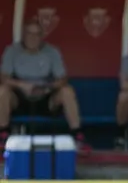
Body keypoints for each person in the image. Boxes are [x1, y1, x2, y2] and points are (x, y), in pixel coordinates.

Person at [0, 22, 90, 152]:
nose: (33, 37)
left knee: (67, 91)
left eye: (37, 34)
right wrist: (22, 85)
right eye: (30, 33)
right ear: (24, 35)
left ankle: (78, 135)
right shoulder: (12, 51)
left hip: (45, 98)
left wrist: (48, 87)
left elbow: (63, 78)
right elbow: (3, 77)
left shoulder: (51, 51)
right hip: (19, 98)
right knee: (2, 91)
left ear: (42, 36)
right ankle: (3, 134)